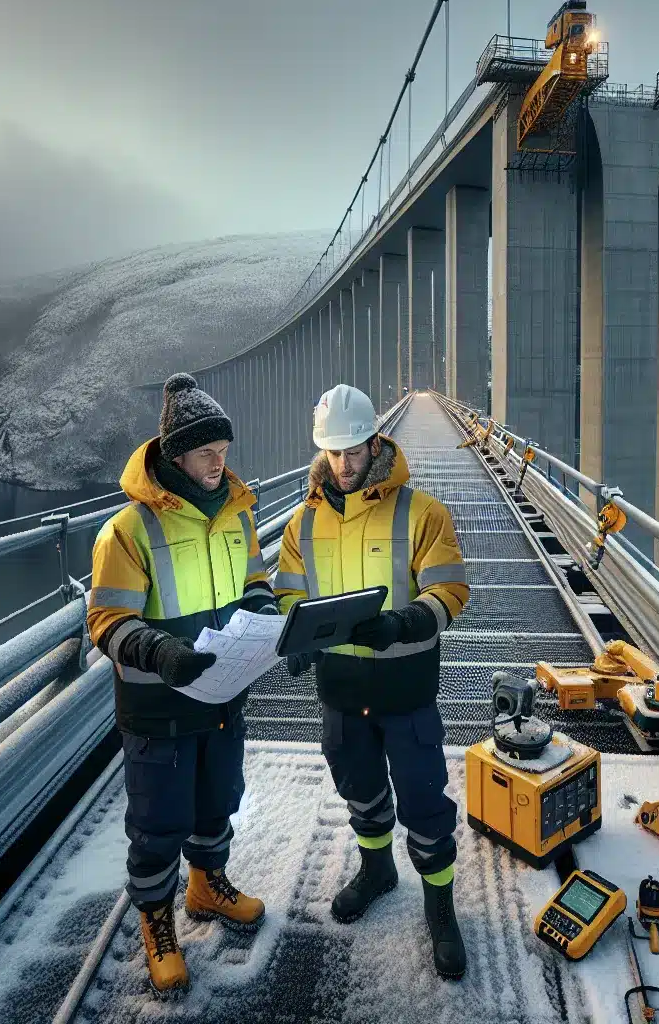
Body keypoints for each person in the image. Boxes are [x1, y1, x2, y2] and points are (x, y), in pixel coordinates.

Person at [273, 383, 472, 979]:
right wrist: (297, 637)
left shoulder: (422, 512)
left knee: (423, 800)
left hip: (404, 689)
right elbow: (288, 591)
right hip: (340, 693)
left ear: (373, 442)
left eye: (353, 450)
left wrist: (407, 620)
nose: (344, 463)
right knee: (359, 788)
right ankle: (378, 868)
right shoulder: (302, 523)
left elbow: (450, 589)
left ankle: (441, 909)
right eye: (334, 453)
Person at [87, 372, 276, 997]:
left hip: (222, 693)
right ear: (175, 456)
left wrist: (269, 620)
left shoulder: (238, 516)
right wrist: (161, 651)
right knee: (158, 821)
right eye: (206, 453)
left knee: (217, 798)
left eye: (224, 451)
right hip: (159, 704)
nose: (219, 463)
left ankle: (207, 885)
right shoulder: (127, 530)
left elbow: (255, 584)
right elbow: (106, 622)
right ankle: (157, 921)